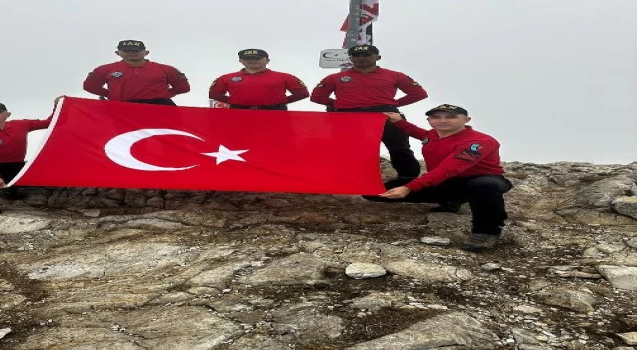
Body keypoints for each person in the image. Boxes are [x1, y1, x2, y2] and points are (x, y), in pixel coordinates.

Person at [363, 104, 513, 252]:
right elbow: (417, 132)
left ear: (467, 119)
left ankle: (486, 233)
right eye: (436, 117)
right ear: (429, 120)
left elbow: (447, 169)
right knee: (375, 193)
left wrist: (408, 187)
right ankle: (451, 200)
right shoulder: (432, 135)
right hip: (446, 182)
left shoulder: (480, 142)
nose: (443, 120)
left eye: (451, 117)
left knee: (483, 186)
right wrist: (398, 120)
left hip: (480, 180)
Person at [310, 44, 427, 180]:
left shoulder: (395, 75)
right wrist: (339, 105)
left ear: (378, 57)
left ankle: (408, 180)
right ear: (351, 58)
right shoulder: (335, 77)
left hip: (386, 116)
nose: (361, 58)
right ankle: (348, 179)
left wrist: (391, 104)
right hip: (349, 117)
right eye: (356, 55)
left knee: (399, 148)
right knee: (348, 150)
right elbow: (317, 97)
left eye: (366, 55)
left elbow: (418, 93)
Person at [83, 39, 190, 105]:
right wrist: (110, 95)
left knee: (166, 139)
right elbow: (90, 86)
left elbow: (183, 87)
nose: (131, 53)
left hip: (160, 109)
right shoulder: (105, 69)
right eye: (126, 50)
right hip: (122, 108)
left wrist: (163, 96)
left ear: (146, 52)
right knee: (124, 139)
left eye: (135, 50)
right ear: (117, 53)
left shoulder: (166, 69)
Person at [209, 49, 309, 110]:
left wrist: (281, 102)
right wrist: (234, 102)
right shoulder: (226, 78)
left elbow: (302, 93)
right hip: (238, 114)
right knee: (239, 141)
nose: (253, 61)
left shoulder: (284, 77)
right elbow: (214, 94)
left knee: (277, 141)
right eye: (248, 59)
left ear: (267, 60)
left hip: (275, 114)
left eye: (257, 58)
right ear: (240, 61)